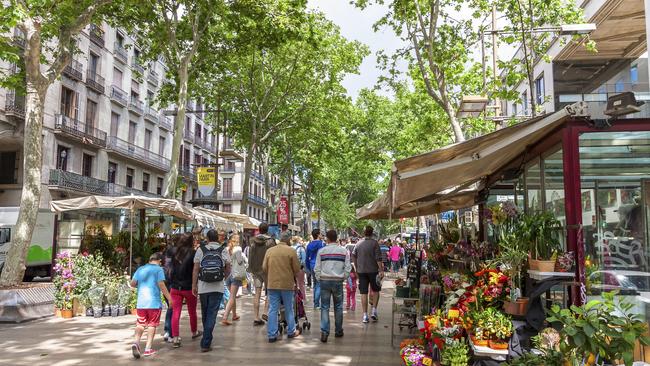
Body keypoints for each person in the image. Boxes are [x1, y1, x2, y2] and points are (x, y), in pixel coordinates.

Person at [192, 229, 230, 353]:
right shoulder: (223, 250)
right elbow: (228, 268)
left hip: (203, 287)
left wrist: (194, 285)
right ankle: (206, 341)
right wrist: (223, 278)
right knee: (212, 314)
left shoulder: (200, 250)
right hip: (217, 287)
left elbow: (196, 269)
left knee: (205, 313)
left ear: (207, 238)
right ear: (217, 238)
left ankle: (206, 340)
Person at [130, 252, 172, 359]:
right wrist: (169, 298)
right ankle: (148, 348)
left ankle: (136, 343)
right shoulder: (159, 270)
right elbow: (161, 284)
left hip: (141, 303)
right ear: (159, 261)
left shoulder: (140, 269)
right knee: (152, 325)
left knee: (140, 324)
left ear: (150, 259)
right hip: (153, 303)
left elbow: (133, 284)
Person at [263, 232, 301, 342]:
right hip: (287, 284)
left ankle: (272, 335)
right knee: (289, 308)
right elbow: (297, 269)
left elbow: (264, 268)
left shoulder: (269, 251)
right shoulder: (291, 251)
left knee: (273, 309)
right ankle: (291, 331)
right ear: (288, 240)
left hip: (272, 284)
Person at [314, 230, 351, 342]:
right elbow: (348, 267)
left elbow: (317, 268)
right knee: (338, 306)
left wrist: (319, 278)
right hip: (337, 282)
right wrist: (343, 277)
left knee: (325, 307)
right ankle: (338, 330)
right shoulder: (344, 251)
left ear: (328, 239)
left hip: (324, 281)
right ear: (337, 238)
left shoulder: (322, 251)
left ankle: (325, 332)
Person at [169, 233, 201, 348]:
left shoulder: (173, 251)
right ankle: (194, 332)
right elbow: (195, 270)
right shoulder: (193, 253)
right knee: (192, 311)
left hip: (175, 287)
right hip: (188, 286)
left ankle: (176, 338)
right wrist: (194, 285)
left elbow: (169, 268)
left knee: (175, 312)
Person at [352, 226, 384, 324]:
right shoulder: (375, 243)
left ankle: (365, 315)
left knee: (363, 293)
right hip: (373, 271)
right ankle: (374, 310)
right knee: (376, 290)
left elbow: (353, 255)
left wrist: (357, 268)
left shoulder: (358, 243)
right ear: (372, 233)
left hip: (361, 271)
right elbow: (378, 258)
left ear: (364, 232)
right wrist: (381, 270)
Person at [248, 222, 276, 326]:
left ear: (259, 230)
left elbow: (250, 255)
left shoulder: (252, 241)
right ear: (267, 230)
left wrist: (250, 268)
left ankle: (256, 317)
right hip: (268, 269)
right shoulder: (271, 241)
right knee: (269, 291)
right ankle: (265, 312)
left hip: (255, 270)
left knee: (257, 293)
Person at [222, 234, 247, 325]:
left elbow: (226, 261)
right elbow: (240, 261)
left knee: (232, 296)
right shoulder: (238, 249)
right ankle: (225, 317)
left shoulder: (226, 249)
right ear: (237, 240)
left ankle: (234, 314)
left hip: (229, 275)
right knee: (232, 297)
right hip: (236, 275)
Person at [305, 229, 325, 309]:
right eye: (320, 234)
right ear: (318, 234)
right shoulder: (321, 244)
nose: (322, 235)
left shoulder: (309, 245)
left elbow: (307, 258)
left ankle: (315, 302)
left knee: (315, 284)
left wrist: (308, 267)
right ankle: (316, 304)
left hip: (311, 265)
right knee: (319, 284)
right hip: (319, 265)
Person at [292, 236, 307, 301]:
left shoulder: (290, 248)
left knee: (293, 284)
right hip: (300, 268)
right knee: (301, 284)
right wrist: (305, 269)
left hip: (291, 269)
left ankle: (294, 298)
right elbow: (304, 260)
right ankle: (302, 298)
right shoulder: (301, 248)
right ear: (298, 240)